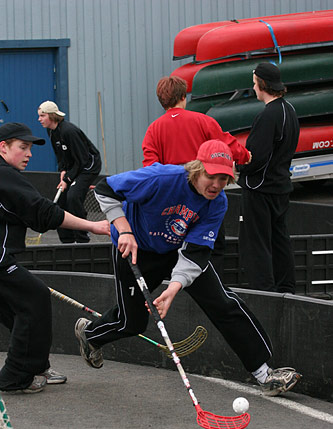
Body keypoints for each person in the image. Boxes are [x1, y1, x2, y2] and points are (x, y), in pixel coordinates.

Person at [74, 139, 301, 397]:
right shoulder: (161, 177)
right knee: (131, 322)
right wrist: (123, 229)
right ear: (197, 169)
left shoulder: (217, 203)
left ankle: (264, 373)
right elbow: (105, 189)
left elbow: (195, 252)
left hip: (178, 250)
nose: (216, 185)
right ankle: (91, 335)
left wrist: (173, 287)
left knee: (222, 302)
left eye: (224, 179)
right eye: (211, 176)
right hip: (137, 248)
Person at [0, 122, 110, 394]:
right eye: (22, 147)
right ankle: (14, 378)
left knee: (17, 311)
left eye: (30, 148)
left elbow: (34, 216)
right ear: (3, 148)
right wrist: (94, 226)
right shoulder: (5, 175)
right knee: (34, 299)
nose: (29, 154)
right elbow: (45, 212)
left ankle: (35, 366)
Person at [141, 76, 252, 278]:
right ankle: (212, 287)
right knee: (213, 246)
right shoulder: (203, 121)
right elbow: (227, 145)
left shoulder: (153, 130)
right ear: (184, 96)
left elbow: (150, 168)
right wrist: (246, 156)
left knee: (174, 244)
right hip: (205, 196)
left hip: (173, 200)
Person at [236, 62, 300, 293]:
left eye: (254, 84)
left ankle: (264, 293)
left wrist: (237, 167)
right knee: (280, 240)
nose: (253, 88)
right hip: (281, 186)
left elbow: (256, 157)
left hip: (260, 190)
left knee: (257, 244)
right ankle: (286, 289)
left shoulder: (267, 116)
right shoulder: (290, 110)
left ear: (262, 84)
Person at [37, 100, 102, 244]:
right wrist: (63, 171)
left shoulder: (69, 131)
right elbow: (60, 155)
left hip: (88, 167)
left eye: (42, 116)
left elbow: (82, 160)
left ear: (52, 116)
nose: (39, 119)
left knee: (73, 197)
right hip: (75, 166)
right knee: (61, 201)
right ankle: (67, 240)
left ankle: (82, 238)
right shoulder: (51, 131)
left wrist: (67, 179)